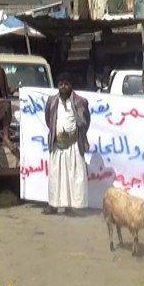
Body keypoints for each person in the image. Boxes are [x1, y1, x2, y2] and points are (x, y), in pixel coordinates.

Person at [44, 72, 91, 215]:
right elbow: (48, 119)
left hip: (74, 144)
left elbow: (86, 121)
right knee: (56, 176)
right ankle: (53, 205)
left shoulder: (80, 101)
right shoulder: (52, 101)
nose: (63, 87)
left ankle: (71, 206)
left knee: (73, 175)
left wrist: (75, 135)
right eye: (60, 84)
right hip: (57, 144)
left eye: (66, 84)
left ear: (71, 85)